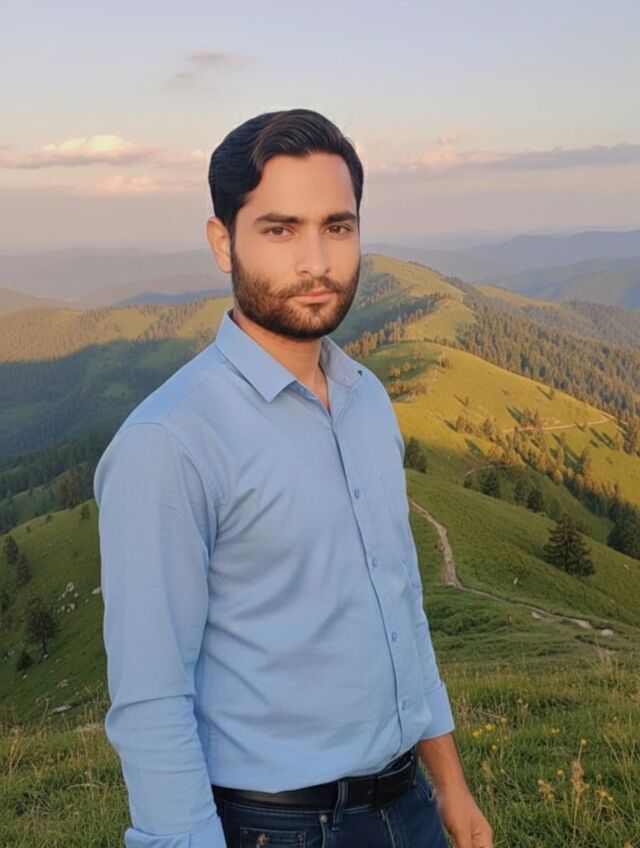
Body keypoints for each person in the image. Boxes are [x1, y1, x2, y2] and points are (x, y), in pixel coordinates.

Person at [94, 108, 493, 848]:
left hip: (407, 805)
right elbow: (151, 701)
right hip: (274, 824)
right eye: (280, 229)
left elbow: (401, 609)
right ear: (223, 242)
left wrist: (450, 784)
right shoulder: (170, 442)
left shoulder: (368, 401)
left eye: (337, 227)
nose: (317, 261)